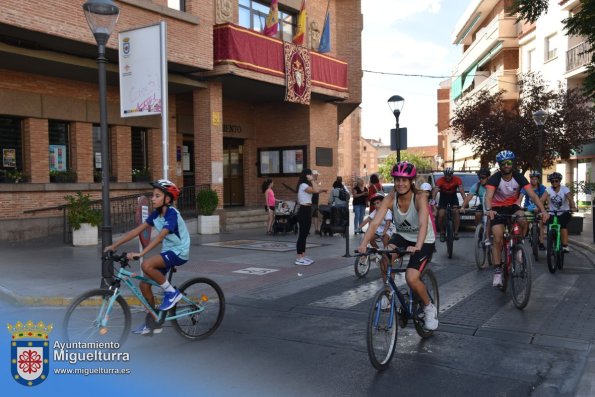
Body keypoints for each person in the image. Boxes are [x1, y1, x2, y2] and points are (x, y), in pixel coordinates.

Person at [358, 161, 438, 331]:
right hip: (402, 236)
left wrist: (417, 246)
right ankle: (388, 291)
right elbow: (374, 224)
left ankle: (429, 307)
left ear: (411, 181)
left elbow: (424, 224)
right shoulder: (390, 199)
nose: (400, 183)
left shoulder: (420, 197)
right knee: (385, 256)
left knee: (411, 277)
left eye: (404, 180)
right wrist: (364, 244)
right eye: (397, 180)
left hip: (424, 240)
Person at [104, 179, 190, 335]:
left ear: (168, 199)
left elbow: (159, 238)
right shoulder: (156, 215)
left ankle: (172, 293)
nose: (153, 198)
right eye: (153, 195)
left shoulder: (172, 215)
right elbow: (136, 231)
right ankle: (154, 322)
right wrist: (114, 245)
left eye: (157, 196)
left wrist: (141, 254)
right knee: (144, 286)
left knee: (146, 265)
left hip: (179, 252)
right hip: (168, 251)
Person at [484, 151, 549, 287]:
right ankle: (497, 271)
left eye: (509, 163)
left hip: (513, 206)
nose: (506, 165)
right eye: (503, 163)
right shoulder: (494, 179)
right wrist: (489, 210)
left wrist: (543, 211)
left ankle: (518, 246)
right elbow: (488, 197)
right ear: (500, 165)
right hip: (497, 208)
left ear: (512, 163)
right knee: (497, 238)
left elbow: (533, 196)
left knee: (523, 220)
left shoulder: (519, 177)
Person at [295, 169, 327, 265]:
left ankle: (303, 256)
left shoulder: (306, 186)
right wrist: (313, 181)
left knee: (305, 234)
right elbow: (315, 190)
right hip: (303, 210)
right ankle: (299, 257)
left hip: (307, 210)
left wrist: (323, 190)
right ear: (306, 176)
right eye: (310, 175)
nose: (312, 176)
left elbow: (315, 190)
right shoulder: (303, 185)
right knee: (302, 234)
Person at [540, 172, 577, 253]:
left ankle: (565, 245)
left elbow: (570, 199)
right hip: (552, 212)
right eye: (552, 181)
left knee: (563, 226)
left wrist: (573, 207)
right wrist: (541, 208)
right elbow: (542, 200)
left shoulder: (565, 189)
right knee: (550, 229)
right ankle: (550, 246)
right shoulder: (548, 190)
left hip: (564, 212)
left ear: (559, 181)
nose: (554, 183)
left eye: (556, 181)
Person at [432, 167, 465, 242]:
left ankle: (456, 232)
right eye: (446, 175)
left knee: (456, 212)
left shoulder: (457, 179)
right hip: (443, 197)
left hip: (453, 197)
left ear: (452, 175)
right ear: (444, 175)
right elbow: (434, 193)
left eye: (449, 175)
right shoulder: (440, 180)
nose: (447, 177)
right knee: (441, 214)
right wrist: (433, 203)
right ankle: (442, 232)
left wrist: (465, 203)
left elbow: (462, 192)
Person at [518, 170, 547, 250]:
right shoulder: (526, 187)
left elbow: (542, 200)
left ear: (538, 180)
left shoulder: (542, 188)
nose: (534, 180)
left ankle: (541, 243)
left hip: (538, 209)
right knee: (525, 221)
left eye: (535, 179)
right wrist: (519, 205)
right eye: (532, 179)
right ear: (530, 179)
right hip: (528, 208)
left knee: (541, 223)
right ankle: (522, 239)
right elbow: (521, 197)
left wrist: (540, 208)